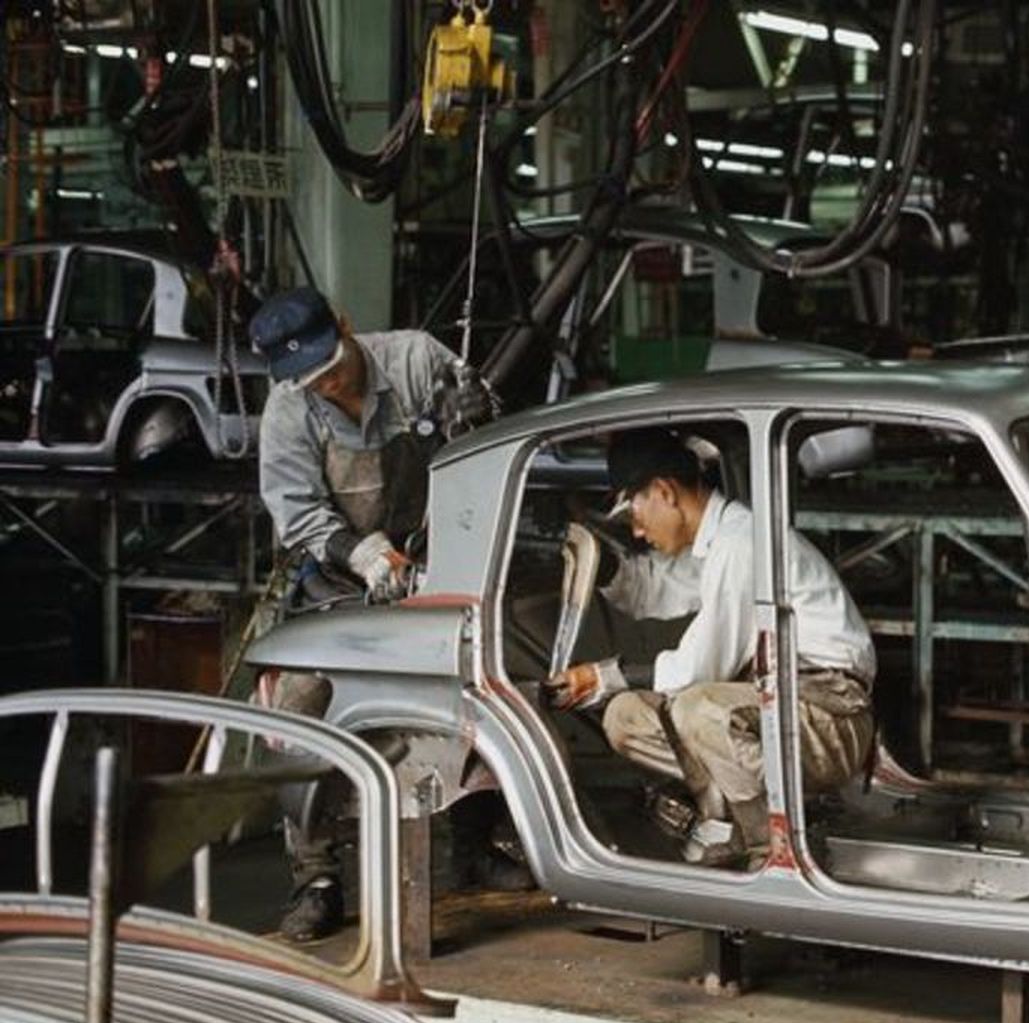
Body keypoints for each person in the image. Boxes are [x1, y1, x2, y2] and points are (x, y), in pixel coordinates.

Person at [249, 285, 498, 940]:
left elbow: (489, 450)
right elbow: (297, 512)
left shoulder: (416, 359)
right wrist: (358, 553)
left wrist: (478, 411)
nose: (327, 386)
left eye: (332, 368)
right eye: (311, 381)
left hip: (440, 570)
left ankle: (478, 842)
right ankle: (316, 876)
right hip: (338, 587)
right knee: (297, 706)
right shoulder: (287, 410)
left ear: (346, 322)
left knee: (491, 685)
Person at [546, 430, 876, 869]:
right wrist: (597, 560)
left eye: (635, 513)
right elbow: (653, 589)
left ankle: (769, 845)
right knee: (625, 716)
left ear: (665, 491)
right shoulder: (718, 542)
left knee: (698, 707)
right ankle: (728, 813)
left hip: (829, 719)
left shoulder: (742, 543)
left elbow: (700, 667)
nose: (638, 531)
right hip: (779, 709)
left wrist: (602, 676)